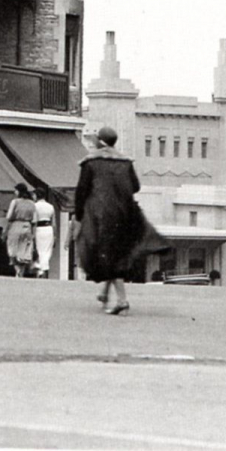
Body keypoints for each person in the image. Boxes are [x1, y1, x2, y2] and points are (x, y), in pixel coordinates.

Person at [74, 126, 165, 315]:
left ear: (101, 141)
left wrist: (79, 214)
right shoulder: (125, 161)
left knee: (106, 253)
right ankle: (105, 292)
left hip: (100, 214)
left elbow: (81, 190)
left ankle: (122, 300)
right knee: (113, 252)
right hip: (124, 213)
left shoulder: (91, 162)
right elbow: (136, 186)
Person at [5, 184, 37, 277]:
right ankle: (21, 271)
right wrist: (33, 233)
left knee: (12, 249)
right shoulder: (32, 203)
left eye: (16, 190)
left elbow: (9, 216)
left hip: (16, 225)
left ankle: (17, 269)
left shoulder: (15, 202)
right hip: (27, 226)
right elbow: (34, 220)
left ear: (19, 191)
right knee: (24, 250)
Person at [33, 187, 56, 278]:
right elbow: (54, 223)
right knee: (47, 250)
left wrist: (33, 233)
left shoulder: (35, 206)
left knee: (40, 249)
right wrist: (55, 235)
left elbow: (34, 221)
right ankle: (43, 268)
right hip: (49, 229)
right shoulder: (50, 206)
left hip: (39, 229)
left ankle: (41, 269)